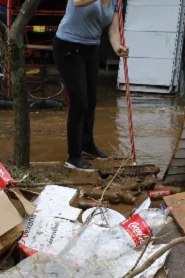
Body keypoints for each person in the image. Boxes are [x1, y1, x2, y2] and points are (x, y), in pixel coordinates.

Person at [54, 0, 129, 171]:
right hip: (68, 46)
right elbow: (78, 2)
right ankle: (73, 157)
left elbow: (114, 29)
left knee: (91, 101)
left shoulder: (116, 2)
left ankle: (87, 144)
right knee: (79, 102)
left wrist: (118, 47)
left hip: (90, 48)